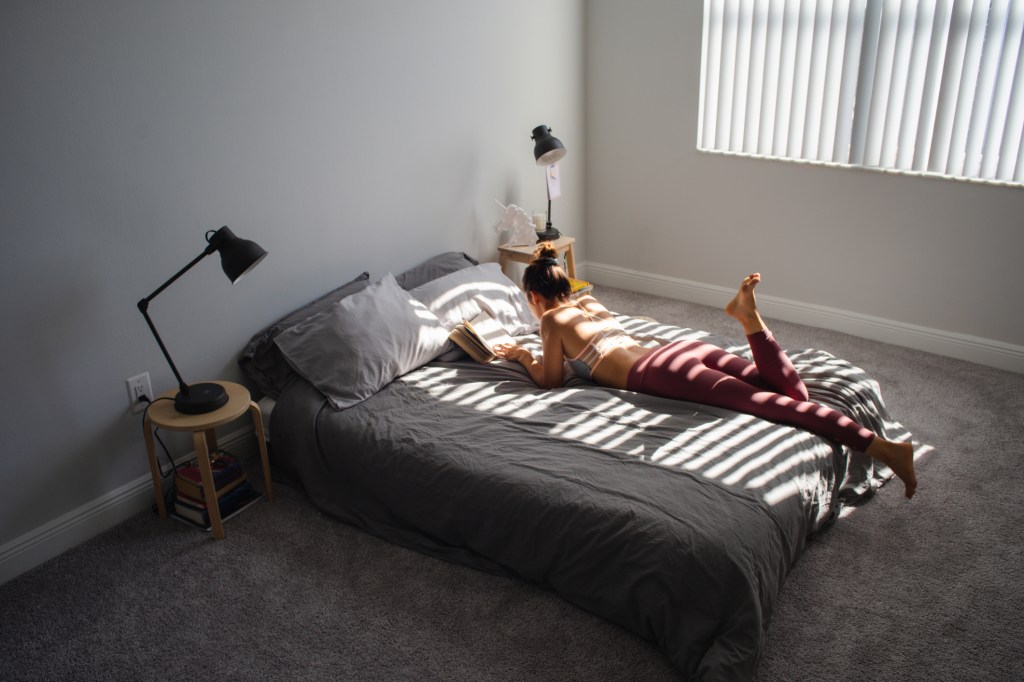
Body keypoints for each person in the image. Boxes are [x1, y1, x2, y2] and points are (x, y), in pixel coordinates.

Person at [493, 243, 918, 499]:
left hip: (660, 371)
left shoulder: (551, 320)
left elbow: (549, 380)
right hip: (685, 351)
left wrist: (521, 356)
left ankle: (884, 449)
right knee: (796, 396)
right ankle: (750, 320)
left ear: (534, 296)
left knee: (771, 405)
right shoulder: (588, 302)